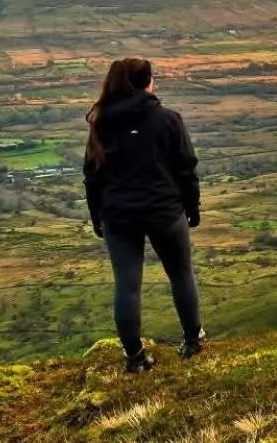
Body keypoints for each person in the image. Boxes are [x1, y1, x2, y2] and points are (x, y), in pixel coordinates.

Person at [84, 57, 205, 373]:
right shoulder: (168, 120)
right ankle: (193, 341)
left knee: (127, 284)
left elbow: (93, 176)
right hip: (164, 211)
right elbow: (186, 168)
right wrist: (192, 207)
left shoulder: (102, 124)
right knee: (181, 274)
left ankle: (135, 358)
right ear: (147, 82)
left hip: (118, 216)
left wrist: (97, 216)